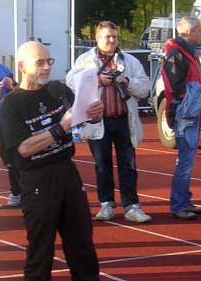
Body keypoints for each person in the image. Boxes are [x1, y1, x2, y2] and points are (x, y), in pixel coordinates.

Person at [0, 41, 102, 280]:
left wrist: (94, 115)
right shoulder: (12, 103)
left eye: (50, 61)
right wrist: (61, 127)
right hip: (37, 181)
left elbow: (82, 120)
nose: (47, 67)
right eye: (40, 62)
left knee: (82, 245)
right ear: (23, 66)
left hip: (68, 172)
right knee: (41, 251)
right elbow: (24, 149)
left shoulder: (58, 90)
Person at [66, 21, 152, 223]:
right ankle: (106, 204)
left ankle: (132, 206)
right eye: (107, 36)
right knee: (102, 165)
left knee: (128, 165)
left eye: (114, 36)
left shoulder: (129, 61)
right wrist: (97, 79)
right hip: (98, 121)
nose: (111, 40)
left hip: (124, 120)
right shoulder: (85, 60)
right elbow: (71, 81)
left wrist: (127, 82)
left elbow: (145, 88)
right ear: (97, 38)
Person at [162, 16, 201, 220]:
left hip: (190, 111)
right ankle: (178, 205)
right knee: (184, 162)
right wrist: (199, 92)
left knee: (187, 161)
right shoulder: (176, 52)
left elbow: (189, 81)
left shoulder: (185, 51)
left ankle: (184, 199)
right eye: (200, 30)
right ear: (191, 32)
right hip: (185, 113)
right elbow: (175, 86)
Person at [0, 34, 21, 208]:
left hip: (3, 122)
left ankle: (16, 193)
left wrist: (12, 88)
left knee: (12, 159)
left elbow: (18, 92)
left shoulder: (5, 70)